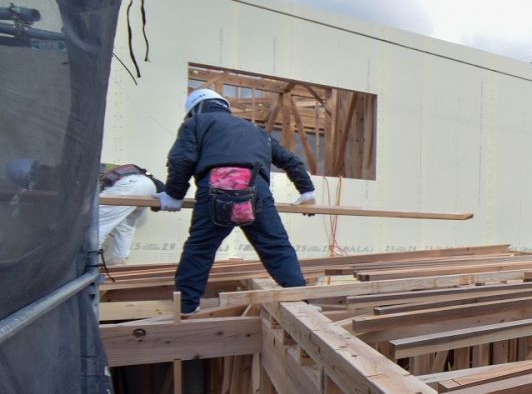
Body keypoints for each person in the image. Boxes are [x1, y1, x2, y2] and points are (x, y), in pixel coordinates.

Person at [159, 88, 317, 313]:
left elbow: (182, 159)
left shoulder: (196, 123)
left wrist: (174, 195)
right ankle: (302, 302)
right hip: (256, 190)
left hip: (216, 188)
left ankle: (186, 306)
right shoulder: (256, 130)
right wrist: (307, 191)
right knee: (276, 246)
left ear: (195, 110)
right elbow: (291, 161)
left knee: (200, 249)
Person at [4, 158, 161, 265]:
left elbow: (81, 200)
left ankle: (86, 270)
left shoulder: (54, 176)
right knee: (125, 226)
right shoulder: (65, 167)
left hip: (128, 185)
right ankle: (119, 264)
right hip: (147, 185)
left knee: (96, 226)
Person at [97, 163, 162, 265]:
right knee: (126, 226)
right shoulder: (102, 165)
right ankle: (118, 262)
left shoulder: (85, 170)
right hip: (149, 186)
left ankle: (86, 265)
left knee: (99, 223)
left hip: (129, 184)